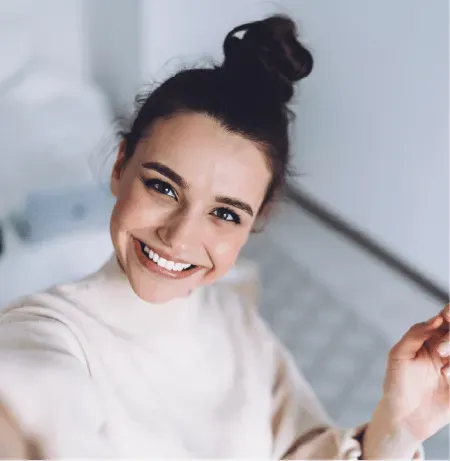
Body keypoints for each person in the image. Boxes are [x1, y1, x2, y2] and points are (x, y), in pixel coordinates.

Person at [0, 14, 448, 459]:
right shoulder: (45, 335)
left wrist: (399, 425)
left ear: (257, 221)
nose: (178, 237)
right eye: (162, 187)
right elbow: (29, 395)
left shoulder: (236, 318)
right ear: (120, 167)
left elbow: (301, 449)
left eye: (225, 214)